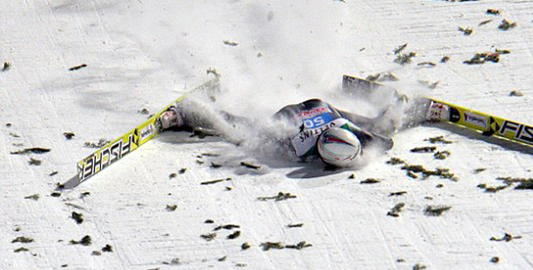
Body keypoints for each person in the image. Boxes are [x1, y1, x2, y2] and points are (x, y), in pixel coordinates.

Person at [158, 97, 449, 168]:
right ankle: (187, 114)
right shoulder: (301, 145)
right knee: (241, 132)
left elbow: (383, 141)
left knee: (377, 125)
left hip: (322, 108)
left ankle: (415, 108)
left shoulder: (347, 131)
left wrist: (374, 145)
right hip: (292, 116)